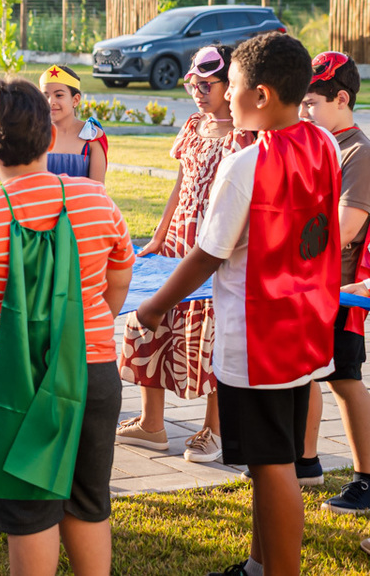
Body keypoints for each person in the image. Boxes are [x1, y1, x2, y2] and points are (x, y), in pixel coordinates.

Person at [136, 33, 341, 576]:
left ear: (263, 95)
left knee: (273, 467)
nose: (227, 96)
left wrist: (153, 307)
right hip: (306, 328)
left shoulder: (247, 165)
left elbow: (206, 255)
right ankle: (257, 564)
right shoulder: (323, 143)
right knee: (270, 461)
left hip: (256, 341)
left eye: (236, 87)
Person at [0, 76, 134, 576]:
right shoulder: (97, 203)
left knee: (27, 511)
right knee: (88, 502)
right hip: (91, 372)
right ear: (49, 138)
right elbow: (118, 282)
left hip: (5, 379)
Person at [117, 46, 254, 463]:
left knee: (211, 336)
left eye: (206, 84)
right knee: (151, 326)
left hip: (216, 248)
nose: (198, 91)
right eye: (193, 83)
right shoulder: (194, 126)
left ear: (230, 84)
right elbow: (180, 186)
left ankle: (214, 429)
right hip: (177, 244)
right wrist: (159, 236)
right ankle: (151, 425)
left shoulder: (245, 135)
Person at [297, 51, 370, 509]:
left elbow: (347, 224)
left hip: (342, 290)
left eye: (311, 103)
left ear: (341, 98)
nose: (304, 112)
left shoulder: (358, 152)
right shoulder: (322, 145)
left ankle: (366, 477)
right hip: (310, 284)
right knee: (303, 373)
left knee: (345, 380)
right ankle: (305, 463)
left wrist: (290, 244)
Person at [40, 65, 107, 182]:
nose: (51, 102)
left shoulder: (91, 136)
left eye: (59, 95)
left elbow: (97, 189)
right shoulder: (32, 134)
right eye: (45, 96)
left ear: (75, 100)